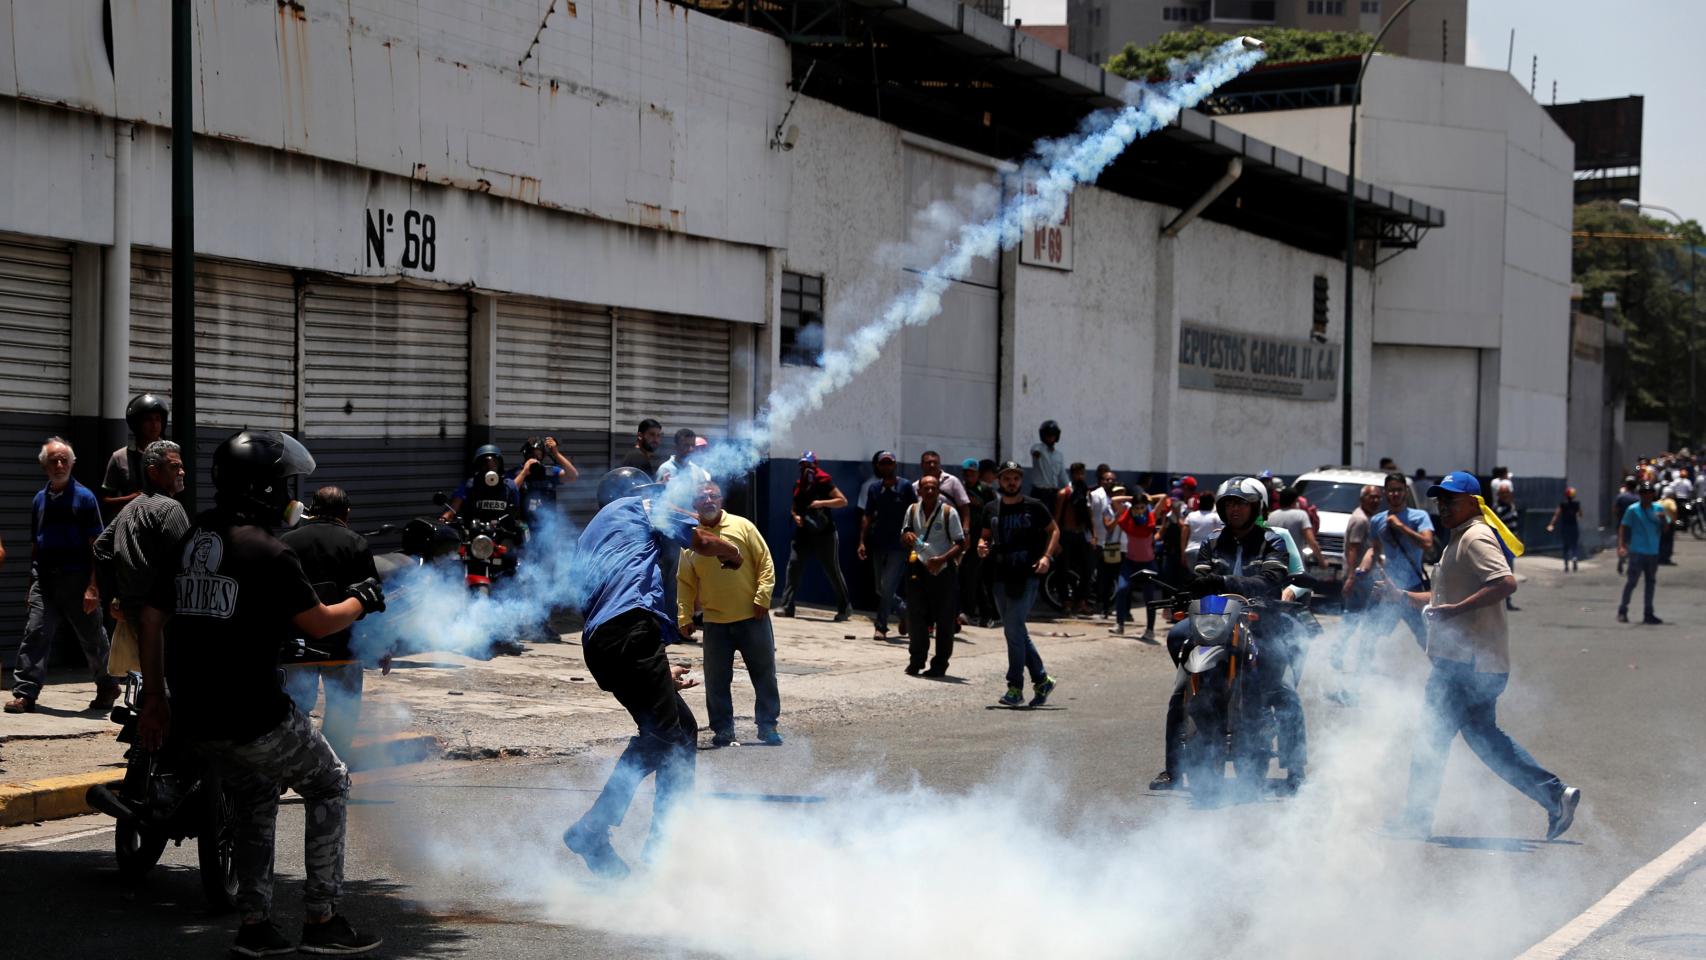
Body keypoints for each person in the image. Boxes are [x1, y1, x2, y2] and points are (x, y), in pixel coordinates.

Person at [137, 430, 386, 956]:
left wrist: (155, 697)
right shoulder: (268, 551)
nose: (289, 495)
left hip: (194, 713)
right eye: (283, 484)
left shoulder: (194, 537)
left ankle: (256, 927)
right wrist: (362, 599)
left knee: (254, 799)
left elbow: (152, 616)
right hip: (254, 713)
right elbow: (320, 622)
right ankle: (322, 919)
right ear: (263, 489)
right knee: (329, 782)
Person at [563, 467, 742, 877]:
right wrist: (732, 552)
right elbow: (701, 539)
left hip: (604, 644)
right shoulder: (639, 506)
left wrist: (658, 667)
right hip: (631, 633)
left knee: (682, 728)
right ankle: (595, 828)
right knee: (664, 737)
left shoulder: (589, 536)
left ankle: (663, 843)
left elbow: (601, 602)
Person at [1387, 471, 1579, 842]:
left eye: (1451, 500)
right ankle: (1555, 796)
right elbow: (1442, 599)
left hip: (1466, 665)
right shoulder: (1459, 538)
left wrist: (1456, 610)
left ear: (1474, 503)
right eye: (1440, 501)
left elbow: (1505, 582)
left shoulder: (1475, 537)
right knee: (1486, 742)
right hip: (1472, 665)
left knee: (1431, 738)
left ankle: (1416, 819)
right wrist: (1403, 597)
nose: (1443, 507)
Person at [1151, 477, 1294, 793]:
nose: (1235, 509)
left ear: (1256, 507)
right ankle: (1173, 771)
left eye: (1241, 504)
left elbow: (1270, 579)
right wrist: (1187, 593)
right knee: (1179, 659)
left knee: (1282, 682)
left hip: (1260, 621)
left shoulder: (1272, 542)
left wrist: (1225, 582)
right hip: (1215, 621)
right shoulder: (1212, 542)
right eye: (1229, 504)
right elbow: (1202, 580)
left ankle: (1295, 766)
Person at [7, 438, 117, 715]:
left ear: (72, 463)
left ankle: (107, 685)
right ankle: (24, 693)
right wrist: (31, 585)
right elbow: (36, 544)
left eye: (63, 460)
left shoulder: (84, 498)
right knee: (35, 632)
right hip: (44, 579)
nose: (59, 465)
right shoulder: (39, 500)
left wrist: (93, 587)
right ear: (44, 466)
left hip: (78, 580)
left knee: (92, 637)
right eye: (53, 461)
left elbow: (96, 545)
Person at [279, 487, 385, 763]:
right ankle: (330, 769)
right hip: (344, 648)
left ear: (312, 510)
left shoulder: (287, 541)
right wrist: (381, 646)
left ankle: (293, 768)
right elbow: (370, 598)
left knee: (294, 713)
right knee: (342, 714)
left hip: (296, 647)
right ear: (346, 513)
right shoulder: (356, 543)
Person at [677, 481, 779, 747]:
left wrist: (763, 597)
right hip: (714, 621)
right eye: (703, 497)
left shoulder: (743, 526)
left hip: (752, 616)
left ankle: (768, 726)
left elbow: (765, 562)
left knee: (764, 674)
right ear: (694, 504)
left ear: (721, 500)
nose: (708, 501)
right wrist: (684, 616)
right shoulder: (690, 538)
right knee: (717, 681)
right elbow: (685, 581)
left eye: (713, 496)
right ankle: (723, 730)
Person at [92, 440, 190, 685]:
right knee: (172, 678)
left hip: (135, 610)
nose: (181, 472)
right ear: (153, 472)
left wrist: (117, 594)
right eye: (174, 467)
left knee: (151, 676)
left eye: (181, 466)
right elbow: (187, 563)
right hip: (165, 612)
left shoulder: (129, 509)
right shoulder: (170, 508)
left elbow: (100, 547)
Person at [977, 461, 1060, 708]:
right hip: (1000, 575)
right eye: (1006, 478)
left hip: (1026, 575)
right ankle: (1042, 680)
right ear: (999, 481)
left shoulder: (1034, 506)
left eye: (1015, 478)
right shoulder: (991, 508)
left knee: (1012, 630)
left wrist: (1046, 557)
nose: (1011, 482)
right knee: (1016, 631)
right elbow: (984, 537)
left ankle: (1015, 687)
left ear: (1021, 480)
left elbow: (1054, 530)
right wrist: (981, 546)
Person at [901, 473, 965, 677]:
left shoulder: (948, 512)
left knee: (944, 619)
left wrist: (941, 559)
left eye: (934, 488)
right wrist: (907, 536)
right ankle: (916, 660)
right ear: (919, 491)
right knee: (916, 615)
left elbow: (960, 543)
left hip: (942, 570)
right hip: (917, 569)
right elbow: (904, 534)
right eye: (926, 488)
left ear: (939, 491)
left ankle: (939, 664)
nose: (929, 491)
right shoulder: (912, 510)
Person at [776, 453, 851, 621]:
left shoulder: (824, 482)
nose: (805, 469)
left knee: (832, 569)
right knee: (794, 566)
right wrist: (796, 516)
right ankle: (787, 606)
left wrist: (821, 503)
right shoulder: (799, 485)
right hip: (803, 533)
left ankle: (845, 608)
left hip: (825, 534)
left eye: (808, 465)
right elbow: (794, 507)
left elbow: (842, 501)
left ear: (815, 465)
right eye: (802, 465)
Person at [1364, 472, 1435, 649]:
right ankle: (1362, 666)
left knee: (1424, 637)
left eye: (1399, 490)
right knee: (1371, 634)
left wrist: (1401, 526)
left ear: (1406, 491)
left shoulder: (1420, 517)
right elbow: (1374, 550)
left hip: (1412, 588)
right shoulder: (1377, 520)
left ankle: (1441, 666)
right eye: (1391, 490)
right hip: (1388, 586)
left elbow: (1427, 543)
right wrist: (1362, 572)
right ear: (1385, 493)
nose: (1395, 494)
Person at [1327, 485, 1383, 705]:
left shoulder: (1367, 517)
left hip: (1363, 578)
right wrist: (1351, 577)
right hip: (1359, 580)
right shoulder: (1361, 520)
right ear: (1363, 498)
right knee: (1355, 618)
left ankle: (1341, 651)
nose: (1376, 500)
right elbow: (1353, 549)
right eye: (1371, 497)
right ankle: (1339, 652)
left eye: (1378, 497)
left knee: (1354, 618)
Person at [855, 451, 914, 641]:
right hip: (879, 543)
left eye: (890, 463)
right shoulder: (874, 488)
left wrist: (913, 537)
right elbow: (867, 516)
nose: (887, 467)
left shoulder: (905, 487)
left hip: (899, 545)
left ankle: (881, 626)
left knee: (887, 585)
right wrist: (862, 541)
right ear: (878, 466)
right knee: (880, 588)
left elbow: (915, 512)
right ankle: (905, 611)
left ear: (894, 465)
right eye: (883, 464)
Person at [1110, 480, 1169, 641]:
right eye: (1136, 507)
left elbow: (1163, 497)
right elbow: (1114, 500)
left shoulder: (1151, 517)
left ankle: (1150, 629)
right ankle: (1119, 625)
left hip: (1147, 563)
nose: (1139, 510)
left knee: (1149, 597)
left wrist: (1145, 497)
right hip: (1130, 562)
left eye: (1142, 507)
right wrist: (1133, 498)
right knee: (1122, 589)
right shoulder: (1127, 517)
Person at [101, 393, 169, 516]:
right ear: (137, 423)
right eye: (148, 419)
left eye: (158, 419)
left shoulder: (171, 456)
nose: (154, 424)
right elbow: (105, 501)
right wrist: (133, 498)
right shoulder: (119, 457)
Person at [1617, 482, 1666, 625]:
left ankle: (1648, 613)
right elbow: (1623, 527)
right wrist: (1621, 545)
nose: (1647, 496)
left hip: (1653, 551)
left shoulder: (1658, 509)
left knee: (1650, 582)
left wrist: (1663, 519)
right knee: (1632, 582)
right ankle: (1623, 610)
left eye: (1650, 493)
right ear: (1640, 495)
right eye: (1644, 493)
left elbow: (1665, 530)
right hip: (1637, 551)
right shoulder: (1633, 509)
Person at [441, 444, 522, 523]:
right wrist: (446, 516)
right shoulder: (469, 484)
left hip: (502, 529)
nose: (490, 466)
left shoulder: (509, 485)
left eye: (494, 462)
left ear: (500, 465)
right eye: (485, 463)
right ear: (478, 466)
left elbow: (516, 510)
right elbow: (455, 504)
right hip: (475, 529)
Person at [961, 460, 999, 628]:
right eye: (966, 473)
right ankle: (985, 613)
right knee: (972, 577)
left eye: (972, 473)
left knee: (973, 575)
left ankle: (970, 612)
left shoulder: (985, 490)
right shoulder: (961, 488)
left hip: (981, 536)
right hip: (965, 536)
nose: (969, 476)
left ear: (978, 474)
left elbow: (994, 511)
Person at [1057, 462, 1096, 615]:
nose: (1080, 476)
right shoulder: (1064, 493)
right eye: (1077, 473)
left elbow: (1090, 516)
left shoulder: (1085, 493)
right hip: (1066, 534)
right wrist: (1055, 541)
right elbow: (1056, 518)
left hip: (1081, 535)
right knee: (1063, 570)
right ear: (1072, 474)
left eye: (1082, 473)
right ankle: (1066, 601)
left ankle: (1082, 601)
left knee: (1088, 569)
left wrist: (1094, 536)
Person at [515, 435, 578, 526]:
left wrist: (556, 454)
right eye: (531, 455)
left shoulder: (548, 472)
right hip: (524, 525)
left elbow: (573, 476)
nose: (535, 459)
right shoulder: (518, 473)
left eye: (538, 455)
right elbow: (510, 490)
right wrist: (524, 473)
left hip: (547, 525)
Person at [1088, 466, 1123, 617]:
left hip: (1113, 543)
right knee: (1098, 574)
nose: (1109, 482)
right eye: (1106, 479)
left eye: (1112, 480)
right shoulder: (1095, 495)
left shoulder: (1115, 497)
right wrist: (1093, 535)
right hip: (1098, 540)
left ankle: (1105, 604)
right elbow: (1090, 516)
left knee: (1109, 576)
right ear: (1101, 480)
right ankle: (1097, 603)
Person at [913, 450, 972, 533]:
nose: (932, 465)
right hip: (924, 532)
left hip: (950, 530)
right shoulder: (915, 486)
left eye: (935, 462)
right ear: (922, 465)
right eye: (928, 463)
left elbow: (964, 507)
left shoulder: (952, 481)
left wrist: (965, 529)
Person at [1267, 487, 1322, 569]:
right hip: (1294, 567)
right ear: (1295, 501)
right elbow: (1311, 541)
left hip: (1274, 566)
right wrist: (1321, 561)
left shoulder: (1271, 516)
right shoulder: (1301, 515)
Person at [1029, 420, 1069, 513]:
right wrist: (1037, 454)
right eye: (1048, 434)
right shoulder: (1038, 448)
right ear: (1043, 435)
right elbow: (1034, 452)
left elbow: (1062, 474)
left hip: (1053, 493)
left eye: (1053, 435)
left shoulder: (1059, 455)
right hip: (1039, 493)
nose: (1050, 437)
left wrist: (1069, 486)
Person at [1492, 486, 1522, 611]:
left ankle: (1507, 600)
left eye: (1507, 493)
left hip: (1510, 545)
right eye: (1502, 493)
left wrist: (1517, 538)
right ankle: (1500, 601)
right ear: (1498, 495)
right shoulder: (1497, 509)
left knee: (1509, 572)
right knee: (1501, 573)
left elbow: (1515, 524)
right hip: (1501, 545)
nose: (1505, 496)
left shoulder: (1512, 507)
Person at [1547, 487, 1583, 572]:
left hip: (1565, 527)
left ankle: (1566, 565)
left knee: (1566, 546)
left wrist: (1551, 524)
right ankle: (1574, 557)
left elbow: (1557, 514)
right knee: (1574, 545)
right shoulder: (1576, 504)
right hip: (1574, 527)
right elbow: (1581, 514)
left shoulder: (1563, 504)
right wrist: (1577, 514)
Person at [1182, 491, 1223, 565]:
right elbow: (1219, 535)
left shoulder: (1191, 515)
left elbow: (1183, 536)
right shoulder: (1216, 517)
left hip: (1191, 550)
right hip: (1208, 552)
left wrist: (1182, 553)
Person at [1610, 477, 1639, 575]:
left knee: (1621, 542)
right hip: (1634, 525)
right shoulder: (1638, 498)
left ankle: (1621, 558)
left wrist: (1619, 517)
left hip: (1622, 523)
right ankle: (1630, 562)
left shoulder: (1621, 497)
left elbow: (1615, 510)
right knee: (1633, 544)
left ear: (1626, 485)